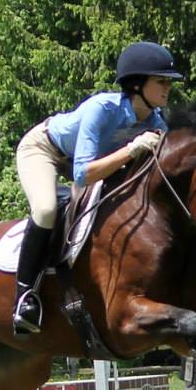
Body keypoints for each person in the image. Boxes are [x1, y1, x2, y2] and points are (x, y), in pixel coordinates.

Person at [12, 41, 183, 335]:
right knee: (46, 208)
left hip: (96, 163)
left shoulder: (156, 121)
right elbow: (81, 174)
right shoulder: (101, 109)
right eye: (161, 81)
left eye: (168, 82)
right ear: (137, 84)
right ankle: (25, 297)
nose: (167, 87)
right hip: (46, 150)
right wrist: (131, 150)